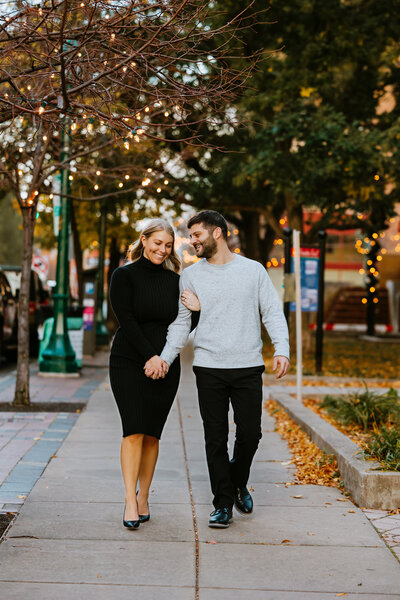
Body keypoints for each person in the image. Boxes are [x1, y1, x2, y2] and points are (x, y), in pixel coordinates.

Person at [146, 210, 290, 528]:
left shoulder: (253, 271)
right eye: (191, 235)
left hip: (248, 365)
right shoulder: (192, 276)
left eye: (197, 235)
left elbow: (272, 312)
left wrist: (282, 348)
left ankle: (238, 481)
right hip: (209, 366)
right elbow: (181, 326)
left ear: (218, 233)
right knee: (215, 438)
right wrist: (166, 358)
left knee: (251, 434)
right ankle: (223, 503)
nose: (192, 240)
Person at [109, 219, 200, 530]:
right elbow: (127, 319)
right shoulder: (123, 275)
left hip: (166, 363)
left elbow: (185, 323)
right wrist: (150, 356)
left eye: (167, 244)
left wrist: (196, 310)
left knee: (151, 433)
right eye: (157, 242)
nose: (162, 249)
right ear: (144, 240)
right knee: (133, 429)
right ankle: (129, 500)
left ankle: (144, 496)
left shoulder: (176, 281)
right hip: (128, 359)